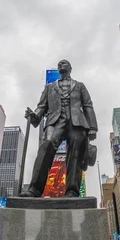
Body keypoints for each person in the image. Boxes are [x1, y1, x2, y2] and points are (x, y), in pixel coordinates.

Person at [20, 59, 98, 198]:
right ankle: (35, 189)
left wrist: (92, 127)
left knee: (75, 154)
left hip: (77, 122)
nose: (61, 65)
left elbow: (87, 105)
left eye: (64, 63)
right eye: (59, 64)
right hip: (55, 121)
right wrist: (35, 117)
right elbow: (42, 106)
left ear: (70, 68)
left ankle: (72, 191)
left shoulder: (80, 86)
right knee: (46, 146)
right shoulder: (50, 87)